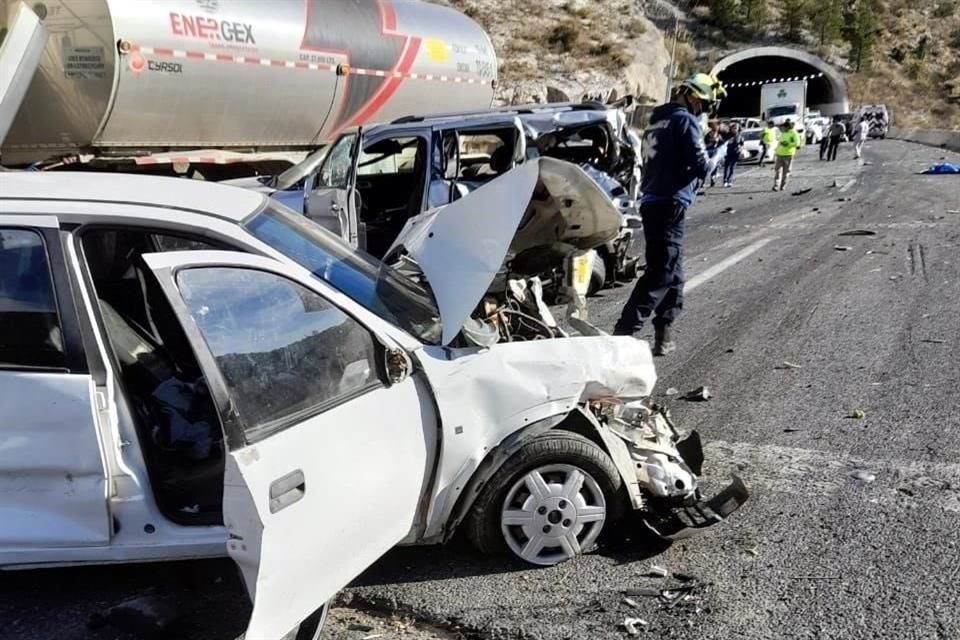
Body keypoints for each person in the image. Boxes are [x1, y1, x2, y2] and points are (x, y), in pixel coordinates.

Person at [613, 73, 726, 355]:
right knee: (662, 271)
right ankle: (622, 336)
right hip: (670, 202)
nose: (703, 110)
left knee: (674, 272)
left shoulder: (657, 120)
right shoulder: (684, 120)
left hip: (652, 201)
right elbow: (703, 167)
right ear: (693, 97)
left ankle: (664, 335)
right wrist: (719, 154)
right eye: (703, 104)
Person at [773, 120, 800, 191]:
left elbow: (797, 143)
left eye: (783, 127)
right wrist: (776, 151)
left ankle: (783, 185)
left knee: (786, 171)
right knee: (777, 170)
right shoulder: (782, 133)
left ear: (788, 127)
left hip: (788, 155)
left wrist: (788, 144)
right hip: (780, 154)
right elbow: (779, 143)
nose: (782, 129)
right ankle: (776, 185)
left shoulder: (793, 133)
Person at [722, 122, 744, 187]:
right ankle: (725, 181)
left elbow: (742, 144)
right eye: (733, 128)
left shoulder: (739, 135)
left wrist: (740, 148)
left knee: (732, 168)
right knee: (726, 167)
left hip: (735, 154)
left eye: (736, 128)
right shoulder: (728, 135)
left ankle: (729, 181)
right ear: (731, 128)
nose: (735, 129)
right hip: (727, 153)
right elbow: (723, 143)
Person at [703, 120, 722, 188]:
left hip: (715, 150)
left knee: (715, 165)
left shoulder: (719, 135)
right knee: (707, 164)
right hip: (708, 150)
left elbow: (721, 143)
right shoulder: (708, 134)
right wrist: (710, 142)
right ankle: (703, 181)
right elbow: (705, 143)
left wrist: (718, 141)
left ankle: (712, 179)